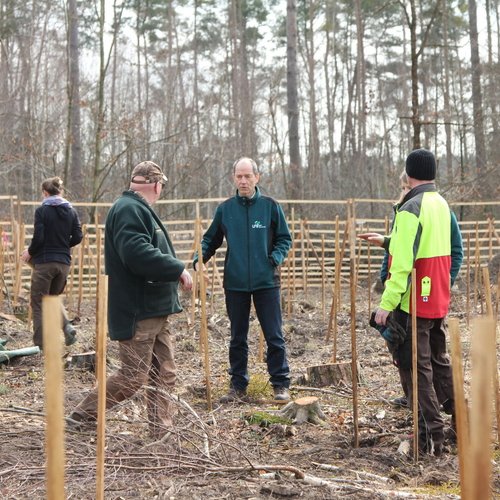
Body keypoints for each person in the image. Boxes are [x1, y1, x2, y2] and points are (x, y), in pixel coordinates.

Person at [69, 161, 193, 439]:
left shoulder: (138, 209)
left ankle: (161, 430)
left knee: (164, 372)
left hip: (155, 308)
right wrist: (177, 268)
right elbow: (136, 253)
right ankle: (82, 416)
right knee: (133, 376)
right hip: (139, 309)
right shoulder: (129, 209)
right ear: (157, 185)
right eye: (162, 186)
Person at [360, 148, 463, 456]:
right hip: (437, 299)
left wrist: (386, 304)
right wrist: (388, 241)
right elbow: (428, 248)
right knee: (440, 364)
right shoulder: (440, 204)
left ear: (408, 174)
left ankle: (432, 436)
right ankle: (462, 422)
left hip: (412, 302)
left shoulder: (410, 208)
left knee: (415, 369)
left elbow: (403, 264)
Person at [194, 157, 292, 403]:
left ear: (257, 177)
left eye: (248, 176)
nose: (243, 180)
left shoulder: (270, 206)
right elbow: (210, 240)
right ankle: (238, 386)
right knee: (238, 337)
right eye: (239, 176)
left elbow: (284, 238)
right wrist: (199, 257)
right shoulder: (225, 209)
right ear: (233, 178)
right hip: (235, 283)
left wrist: (274, 258)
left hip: (266, 281)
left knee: (274, 335)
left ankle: (280, 384)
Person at [378, 171, 463, 410]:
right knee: (423, 360)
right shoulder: (430, 205)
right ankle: (454, 421)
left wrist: (444, 280)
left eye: (405, 186)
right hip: (415, 295)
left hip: (415, 298)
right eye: (401, 189)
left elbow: (408, 262)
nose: (403, 192)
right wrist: (385, 244)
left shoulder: (416, 210)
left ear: (411, 181)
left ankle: (430, 433)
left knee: (419, 364)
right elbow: (403, 252)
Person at [21, 177, 83, 349]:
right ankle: (67, 326)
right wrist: (63, 246)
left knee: (39, 303)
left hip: (45, 263)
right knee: (52, 299)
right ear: (60, 191)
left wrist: (30, 252)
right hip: (63, 264)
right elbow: (78, 236)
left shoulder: (42, 211)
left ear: (45, 193)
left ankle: (41, 345)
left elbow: (39, 238)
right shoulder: (71, 211)